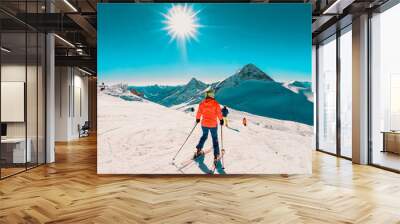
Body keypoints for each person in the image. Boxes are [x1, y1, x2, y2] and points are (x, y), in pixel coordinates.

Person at [194, 89, 224, 163]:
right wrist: (221, 120)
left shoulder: (202, 103)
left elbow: (199, 112)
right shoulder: (215, 103)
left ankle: (198, 150)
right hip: (213, 124)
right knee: (214, 138)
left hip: (204, 124)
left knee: (204, 136)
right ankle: (216, 155)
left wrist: (197, 119)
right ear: (211, 95)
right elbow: (219, 113)